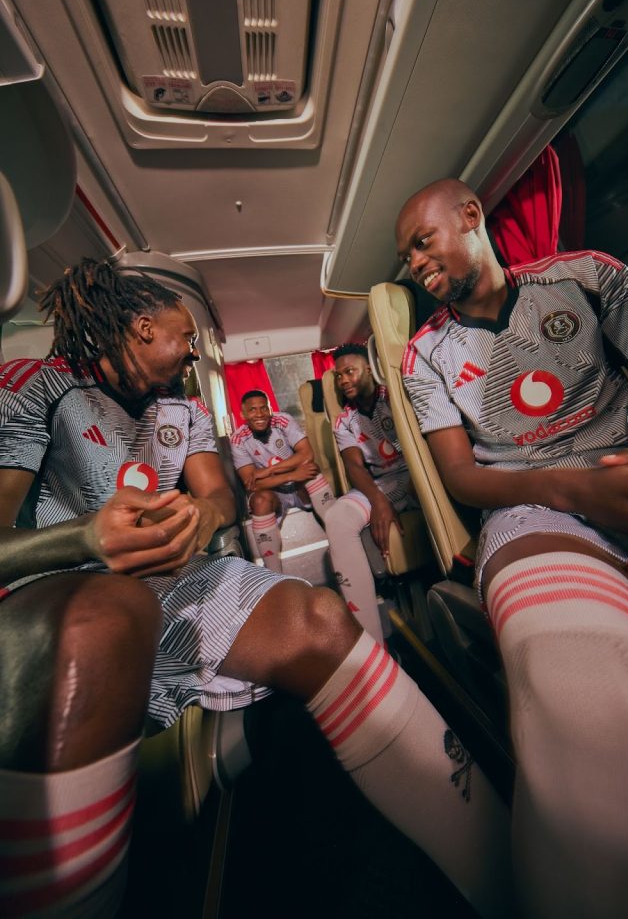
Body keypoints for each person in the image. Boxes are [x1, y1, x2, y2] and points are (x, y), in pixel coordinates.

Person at [0, 259, 514, 919]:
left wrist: (200, 517)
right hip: (61, 586)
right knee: (109, 614)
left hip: (170, 578)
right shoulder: (36, 387)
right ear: (142, 327)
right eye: (186, 339)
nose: (193, 354)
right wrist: (84, 539)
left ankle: (503, 870)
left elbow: (219, 494)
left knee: (319, 619)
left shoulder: (184, 410)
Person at [396, 178, 628, 919]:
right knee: (577, 672)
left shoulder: (588, 277)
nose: (415, 264)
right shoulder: (425, 354)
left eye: (422, 242)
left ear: (470, 216)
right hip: (525, 504)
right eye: (406, 258)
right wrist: (572, 491)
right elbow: (462, 477)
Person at [324, 344, 418, 643]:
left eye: (349, 372)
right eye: (338, 376)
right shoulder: (344, 420)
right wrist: (378, 501)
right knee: (337, 517)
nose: (343, 380)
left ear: (368, 369)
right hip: (380, 483)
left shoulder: (395, 396)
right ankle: (373, 644)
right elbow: (354, 465)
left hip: (415, 475)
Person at [230, 389, 335, 571]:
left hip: (299, 488)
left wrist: (270, 470)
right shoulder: (238, 439)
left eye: (264, 408)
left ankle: (338, 538)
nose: (260, 414)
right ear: (243, 415)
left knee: (311, 470)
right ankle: (274, 574)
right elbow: (251, 484)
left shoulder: (283, 420)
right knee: (259, 500)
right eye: (253, 410)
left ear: (270, 409)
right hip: (275, 494)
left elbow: (306, 454)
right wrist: (290, 475)